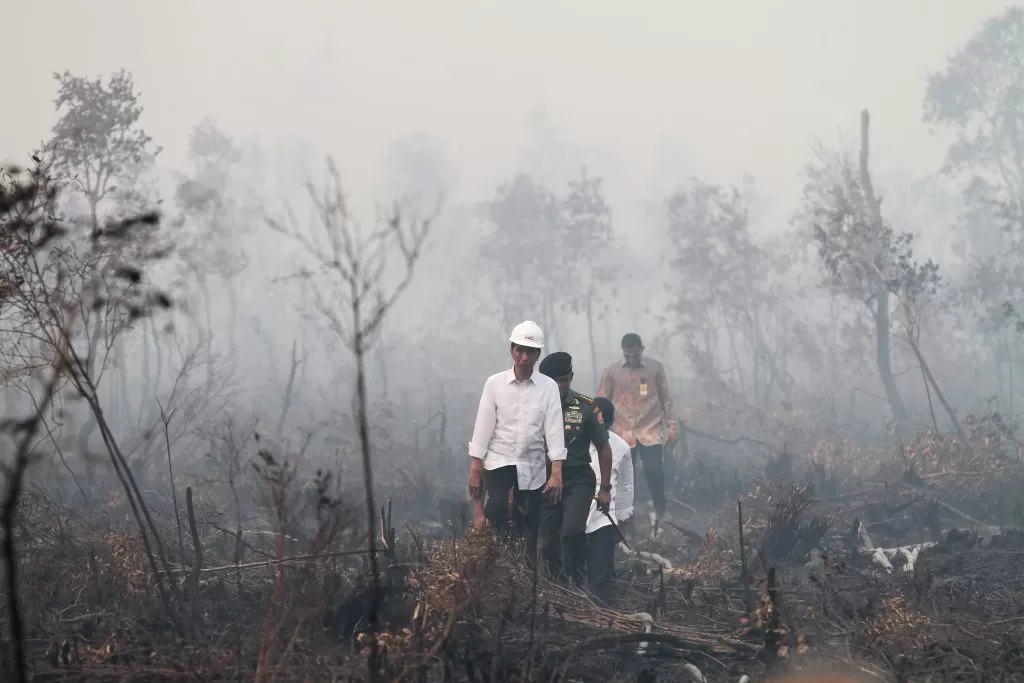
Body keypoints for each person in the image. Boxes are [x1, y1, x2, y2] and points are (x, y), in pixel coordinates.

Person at [467, 321, 566, 563]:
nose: (523, 357)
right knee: (497, 507)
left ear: (537, 355)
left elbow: (553, 429)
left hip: (532, 462)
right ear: (511, 350)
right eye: (518, 350)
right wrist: (475, 468)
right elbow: (483, 425)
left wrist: (556, 471)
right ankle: (501, 550)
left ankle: (524, 566)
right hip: (499, 458)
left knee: (529, 519)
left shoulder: (548, 387)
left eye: (529, 352)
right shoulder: (495, 384)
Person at [537, 351, 612, 587]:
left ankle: (579, 578)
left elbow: (604, 447)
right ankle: (557, 585)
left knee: (571, 531)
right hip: (544, 480)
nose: (560, 385)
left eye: (564, 379)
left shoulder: (586, 407)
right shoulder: (533, 405)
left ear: (571, 377)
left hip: (578, 479)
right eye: (554, 381)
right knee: (546, 541)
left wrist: (605, 489)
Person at [597, 333, 678, 535]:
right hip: (622, 432)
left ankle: (661, 511)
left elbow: (666, 399)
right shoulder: (611, 372)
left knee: (654, 472)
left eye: (635, 355)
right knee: (623, 476)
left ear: (642, 349)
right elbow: (600, 401)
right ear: (623, 351)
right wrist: (598, 428)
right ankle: (624, 519)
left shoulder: (655, 369)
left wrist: (673, 426)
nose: (631, 359)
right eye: (628, 356)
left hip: (650, 430)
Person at [585, 396, 634, 605]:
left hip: (603, 517)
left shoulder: (621, 448)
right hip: (574, 512)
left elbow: (625, 486)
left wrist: (622, 519)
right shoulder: (574, 442)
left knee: (602, 567)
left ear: (610, 422)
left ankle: (604, 611)